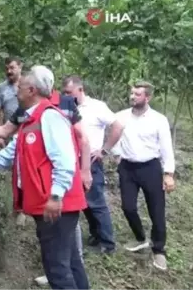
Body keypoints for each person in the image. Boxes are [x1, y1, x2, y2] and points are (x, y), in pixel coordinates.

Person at [0, 66, 91, 286]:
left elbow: (65, 161)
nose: (15, 92)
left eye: (19, 88)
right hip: (49, 204)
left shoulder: (49, 117)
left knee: (57, 268)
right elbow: (8, 154)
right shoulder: (30, 122)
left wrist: (55, 196)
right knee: (70, 262)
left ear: (31, 90)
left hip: (55, 206)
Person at [111, 81, 175, 271]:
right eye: (131, 93)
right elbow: (112, 134)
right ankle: (140, 238)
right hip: (128, 168)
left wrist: (168, 173)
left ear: (147, 97)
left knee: (156, 210)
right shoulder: (121, 116)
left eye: (137, 94)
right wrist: (116, 154)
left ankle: (159, 250)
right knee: (128, 207)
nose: (132, 96)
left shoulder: (158, 119)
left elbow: (166, 148)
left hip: (151, 168)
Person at [61, 75, 123, 254]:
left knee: (96, 202)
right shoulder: (64, 107)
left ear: (80, 90)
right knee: (84, 202)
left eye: (70, 92)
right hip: (71, 160)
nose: (67, 96)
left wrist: (104, 150)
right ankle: (96, 235)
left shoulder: (96, 107)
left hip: (91, 161)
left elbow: (117, 126)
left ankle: (107, 243)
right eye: (64, 92)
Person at [0, 57, 22, 147]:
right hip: (9, 134)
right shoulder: (1, 87)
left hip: (27, 132)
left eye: (12, 68)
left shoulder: (28, 84)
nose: (9, 71)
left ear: (20, 67)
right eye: (7, 68)